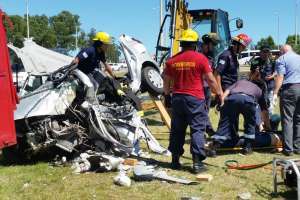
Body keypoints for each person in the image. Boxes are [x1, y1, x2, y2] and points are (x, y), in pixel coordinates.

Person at [163, 29, 222, 173]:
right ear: (195, 44)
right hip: (195, 99)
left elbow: (166, 80)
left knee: (177, 130)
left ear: (182, 43)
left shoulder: (172, 60)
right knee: (197, 129)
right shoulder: (201, 59)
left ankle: (175, 161)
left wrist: (166, 96)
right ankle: (196, 164)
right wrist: (219, 94)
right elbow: (210, 79)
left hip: (177, 98)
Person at [210, 64, 269, 156]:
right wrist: (268, 126)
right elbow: (264, 111)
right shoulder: (259, 90)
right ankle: (247, 148)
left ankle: (215, 148)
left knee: (225, 123)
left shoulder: (238, 82)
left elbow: (226, 92)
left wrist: (221, 103)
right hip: (248, 100)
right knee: (249, 123)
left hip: (232, 99)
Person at [273, 44, 300, 156]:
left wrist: (275, 93)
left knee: (287, 119)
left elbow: (280, 77)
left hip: (290, 89)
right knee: (298, 119)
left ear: (282, 51)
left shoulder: (282, 59)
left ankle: (288, 149)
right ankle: (297, 147)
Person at [199, 33, 220, 135]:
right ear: (208, 44)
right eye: (213, 45)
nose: (214, 47)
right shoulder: (198, 55)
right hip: (199, 88)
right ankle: (206, 129)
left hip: (206, 87)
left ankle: (207, 128)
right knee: (201, 110)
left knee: (206, 110)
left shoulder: (210, 56)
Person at [251, 45, 276, 116]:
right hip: (258, 87)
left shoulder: (272, 61)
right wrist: (256, 74)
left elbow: (276, 72)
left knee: (269, 105)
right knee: (257, 105)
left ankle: (269, 122)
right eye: (264, 51)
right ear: (260, 52)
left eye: (267, 52)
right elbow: (251, 76)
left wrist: (272, 76)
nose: (265, 53)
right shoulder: (255, 61)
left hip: (269, 86)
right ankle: (259, 124)